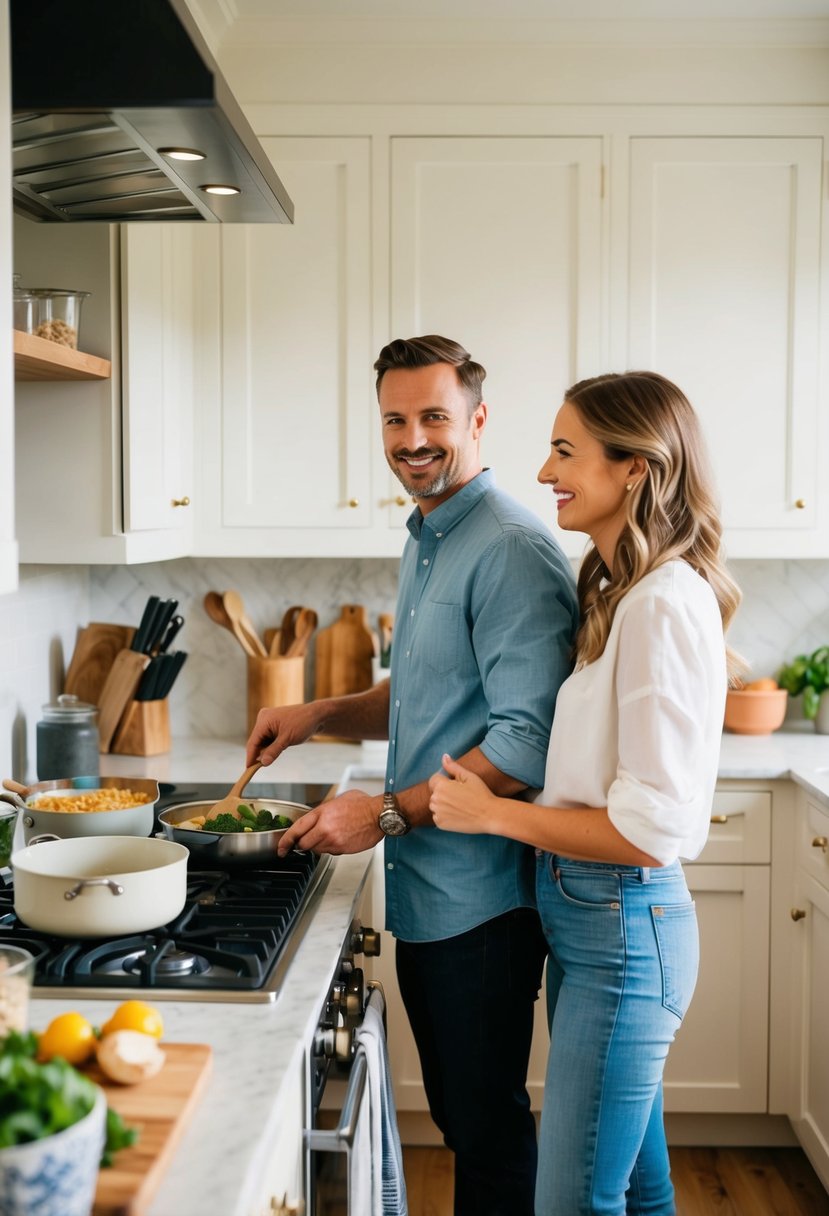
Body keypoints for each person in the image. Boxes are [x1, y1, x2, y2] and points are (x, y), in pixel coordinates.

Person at [246, 335, 579, 1215]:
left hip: (485, 904)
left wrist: (383, 815)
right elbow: (425, 691)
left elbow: (524, 743)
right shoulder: (432, 533)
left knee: (487, 1132)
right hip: (437, 894)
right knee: (467, 1121)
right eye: (396, 419)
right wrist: (319, 714)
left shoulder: (507, 547)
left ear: (476, 419)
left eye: (434, 416)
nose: (412, 438)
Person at [428, 370, 742, 1216]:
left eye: (565, 451)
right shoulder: (623, 594)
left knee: (570, 1203)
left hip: (624, 929)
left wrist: (489, 812)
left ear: (634, 468)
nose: (542, 472)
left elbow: (648, 830)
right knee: (639, 1194)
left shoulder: (662, 607)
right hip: (595, 927)